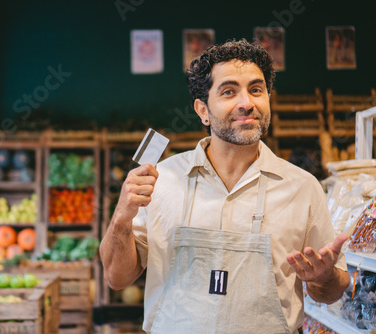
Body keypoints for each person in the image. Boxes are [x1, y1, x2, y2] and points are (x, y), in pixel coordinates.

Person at [100, 38, 350, 334]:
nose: (247, 103)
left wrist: (324, 277)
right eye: (229, 91)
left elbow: (328, 292)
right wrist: (122, 217)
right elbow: (117, 278)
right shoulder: (161, 180)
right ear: (202, 110)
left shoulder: (303, 188)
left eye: (256, 90)